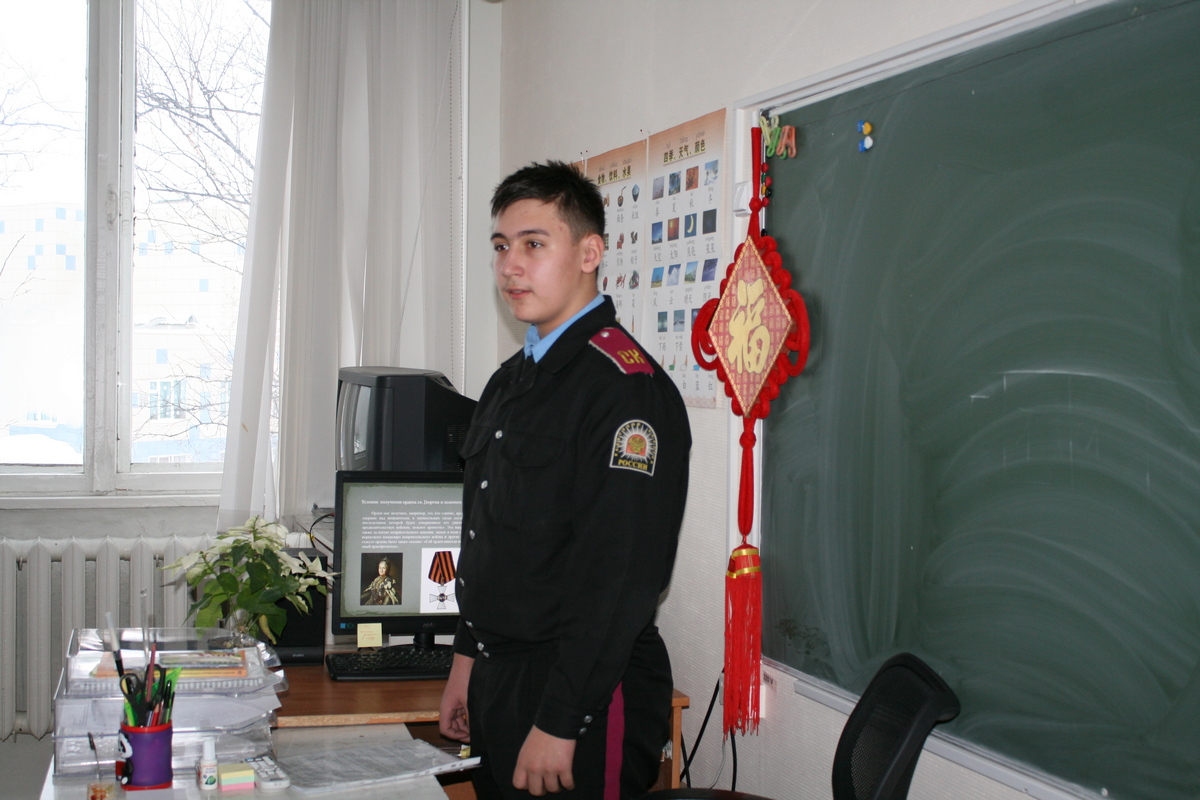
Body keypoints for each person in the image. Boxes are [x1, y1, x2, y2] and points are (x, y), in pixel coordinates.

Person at [439, 161, 691, 799]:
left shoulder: (625, 391)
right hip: (499, 677)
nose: (510, 266)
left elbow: (620, 579)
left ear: (589, 253)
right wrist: (465, 663)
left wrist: (560, 720)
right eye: (501, 246)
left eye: (533, 244)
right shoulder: (509, 382)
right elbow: (487, 541)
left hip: (582, 694)